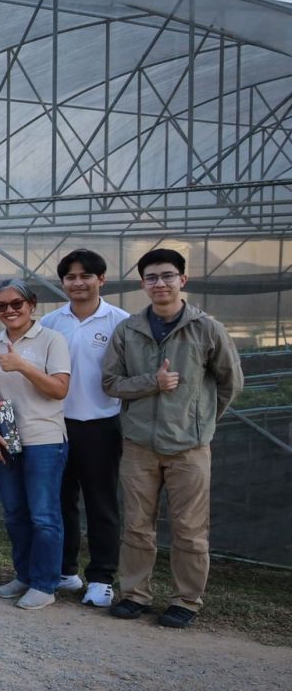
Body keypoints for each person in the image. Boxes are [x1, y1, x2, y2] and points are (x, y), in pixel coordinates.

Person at [102, 247, 242, 629]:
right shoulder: (129, 329)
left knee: (190, 529)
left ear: (183, 279)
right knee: (136, 524)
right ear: (142, 285)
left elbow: (230, 383)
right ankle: (135, 594)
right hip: (139, 445)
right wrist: (153, 382)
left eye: (167, 276)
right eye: (151, 277)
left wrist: (199, 423)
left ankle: (186, 600)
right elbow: (111, 383)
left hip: (189, 448)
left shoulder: (207, 328)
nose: (159, 284)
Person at [39, 249, 130, 607]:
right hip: (56, 425)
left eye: (86, 276)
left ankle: (102, 577)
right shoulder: (50, 322)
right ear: (63, 283)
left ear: (101, 280)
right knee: (60, 501)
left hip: (100, 425)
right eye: (71, 277)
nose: (78, 283)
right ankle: (65, 570)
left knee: (101, 503)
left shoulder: (121, 322)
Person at [0, 280, 72, 611]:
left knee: (44, 515)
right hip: (6, 438)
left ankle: (45, 584)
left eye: (16, 303)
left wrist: (22, 366)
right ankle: (24, 574)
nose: (10, 310)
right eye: (1, 306)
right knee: (15, 513)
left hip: (43, 438)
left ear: (31, 304)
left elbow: (59, 389)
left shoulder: (52, 339)